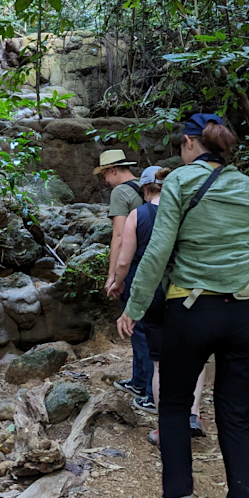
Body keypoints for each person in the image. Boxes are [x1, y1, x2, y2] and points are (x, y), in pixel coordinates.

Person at [117, 113, 249, 498]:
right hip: (246, 315)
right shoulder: (247, 186)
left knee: (175, 406)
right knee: (235, 418)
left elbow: (158, 251)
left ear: (189, 144)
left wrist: (134, 307)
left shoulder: (181, 180)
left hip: (193, 311)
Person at [108, 166, 207, 441]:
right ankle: (193, 415)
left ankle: (166, 424)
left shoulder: (137, 215)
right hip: (188, 291)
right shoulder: (187, 211)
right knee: (194, 356)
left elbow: (125, 260)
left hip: (153, 292)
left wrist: (116, 281)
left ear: (145, 188)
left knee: (161, 362)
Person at [94, 149, 152, 412]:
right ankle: (139, 381)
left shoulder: (120, 193)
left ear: (113, 170)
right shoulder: (146, 186)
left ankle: (148, 389)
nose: (105, 180)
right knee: (144, 326)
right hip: (154, 263)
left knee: (138, 328)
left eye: (104, 174)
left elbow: (118, 236)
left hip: (134, 265)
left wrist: (113, 275)